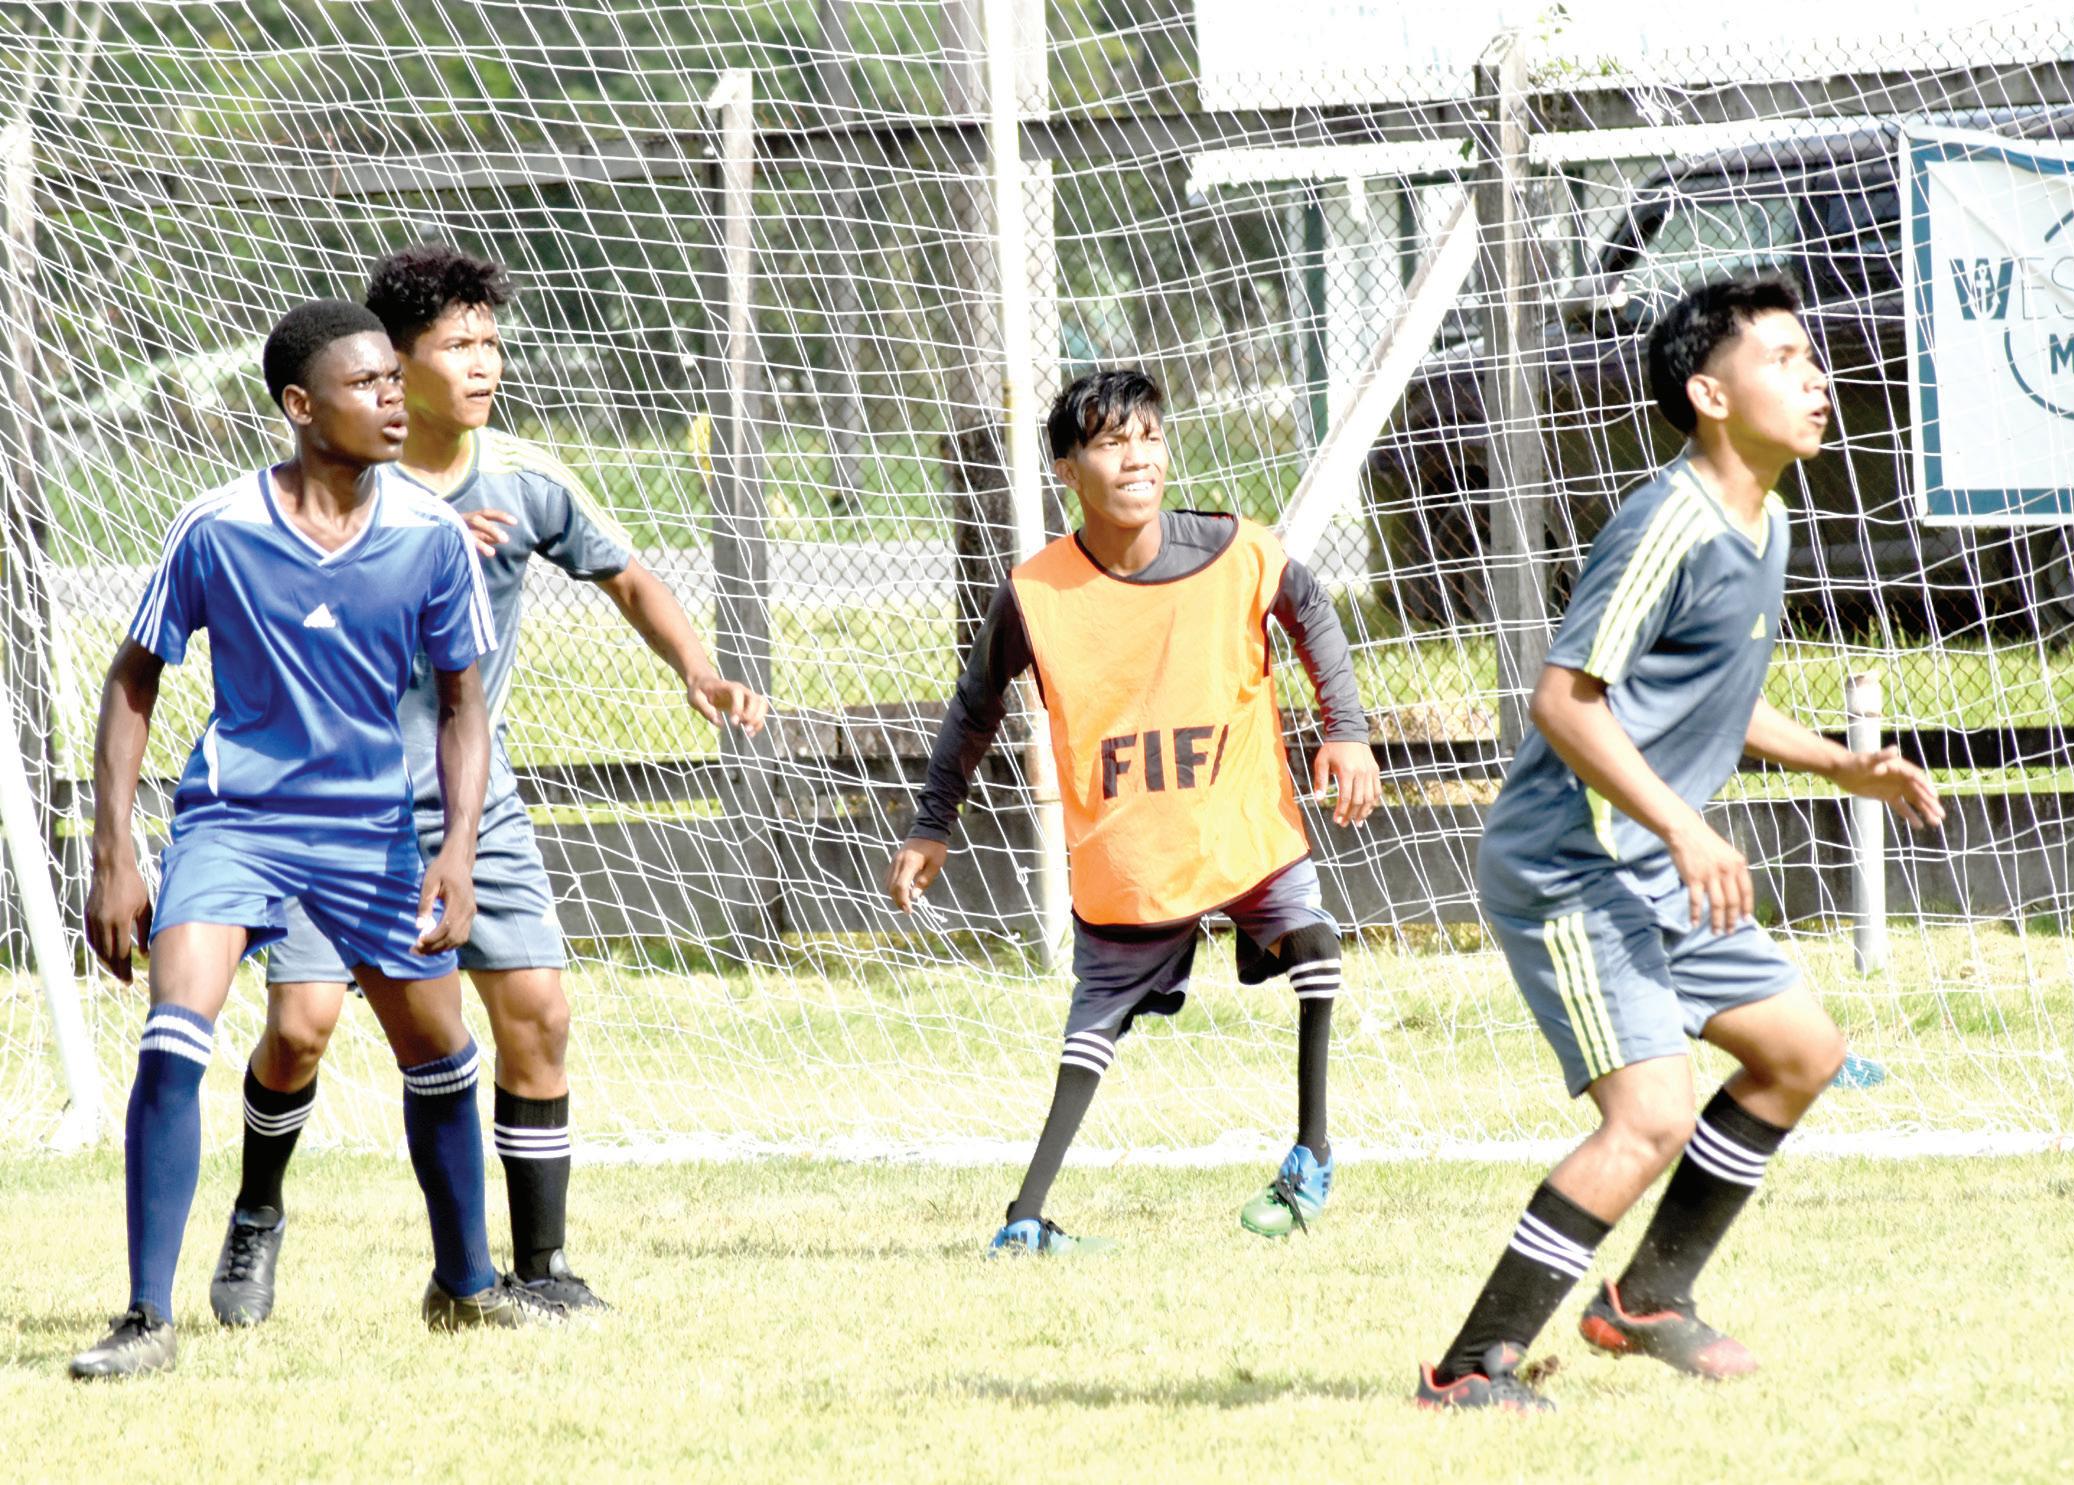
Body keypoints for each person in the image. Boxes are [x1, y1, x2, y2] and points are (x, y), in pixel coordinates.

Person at [207, 244, 768, 1326]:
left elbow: (627, 575)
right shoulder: (341, 486)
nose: (482, 364)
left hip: (474, 796)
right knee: (301, 1029)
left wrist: (698, 671)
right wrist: (412, 548)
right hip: (333, 799)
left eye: (491, 343)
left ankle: (537, 1267)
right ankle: (257, 1212)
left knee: (538, 1012)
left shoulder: (523, 478)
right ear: (389, 363)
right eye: (456, 345)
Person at [1416, 277, 1945, 1413]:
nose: (1817, 380)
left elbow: (1711, 692)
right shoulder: (1669, 522)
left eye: (1813, 358)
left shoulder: (1767, 517)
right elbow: (1564, 702)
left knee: (1798, 1053)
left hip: (1655, 860)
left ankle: (1647, 1298)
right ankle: (1468, 1369)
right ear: (1710, 395)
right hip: (1570, 864)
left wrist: (1839, 763)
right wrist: (1681, 823)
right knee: (1649, 1115)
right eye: (1784, 360)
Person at [71, 299, 533, 1380]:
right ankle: (145, 1319)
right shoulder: (217, 526)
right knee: (174, 1034)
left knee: (441, 1056)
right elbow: (133, 679)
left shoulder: (429, 535)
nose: (393, 399)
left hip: (371, 833)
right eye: (366, 383)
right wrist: (114, 853)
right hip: (234, 821)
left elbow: (464, 707)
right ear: (299, 405)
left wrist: (456, 853)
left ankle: (467, 1285)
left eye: (394, 379)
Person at [884, 367, 1381, 1251]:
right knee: (1092, 1027)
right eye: (1112, 443)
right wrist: (932, 822)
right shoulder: (1036, 594)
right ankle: (1024, 1221)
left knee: (1314, 942)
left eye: (1150, 437)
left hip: (1240, 824)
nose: (1138, 457)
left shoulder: (1235, 551)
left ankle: (1312, 1154)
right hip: (1131, 855)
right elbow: (974, 705)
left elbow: (1309, 605)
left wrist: (1345, 729)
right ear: (1068, 471)